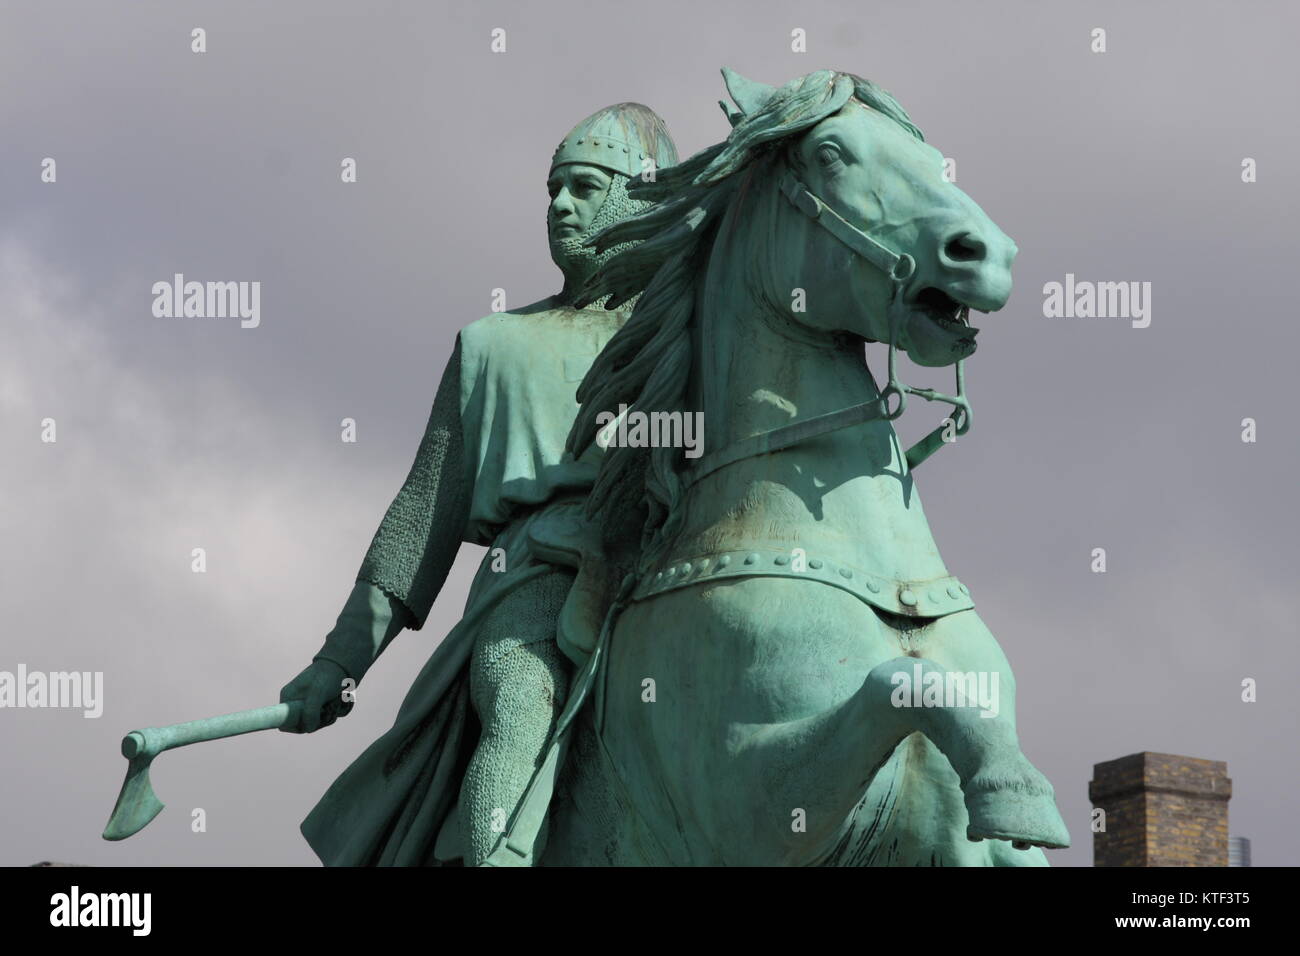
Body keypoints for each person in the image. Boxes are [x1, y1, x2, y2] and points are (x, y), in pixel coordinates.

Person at [278, 103, 678, 866]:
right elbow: (419, 522)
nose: (560, 205)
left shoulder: (691, 328)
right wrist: (339, 663)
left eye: (586, 188)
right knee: (520, 703)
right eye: (554, 190)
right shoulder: (492, 346)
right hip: (534, 575)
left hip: (675, 553)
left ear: (639, 198)